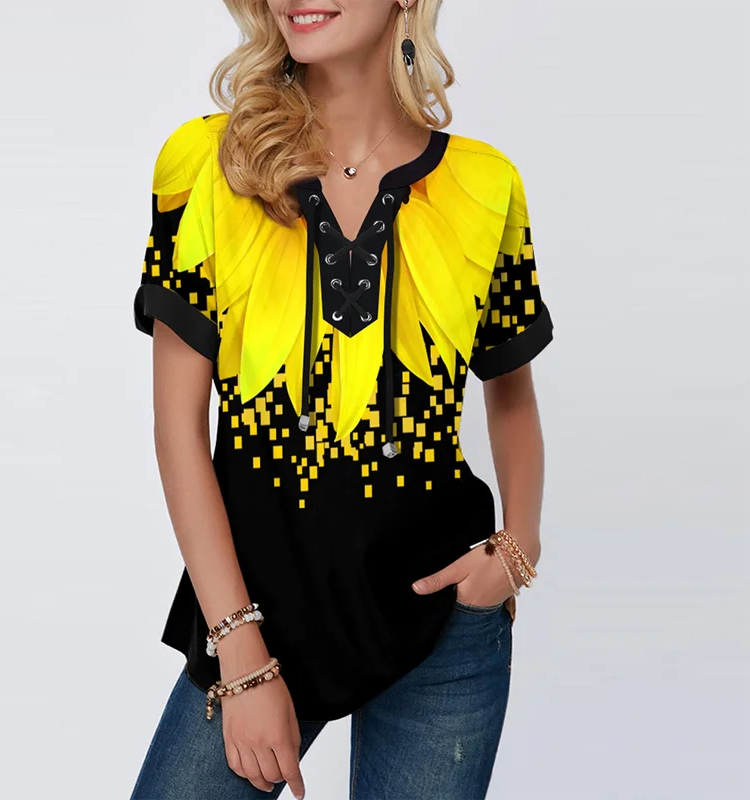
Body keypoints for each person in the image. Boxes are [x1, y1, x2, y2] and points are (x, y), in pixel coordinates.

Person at [128, 1, 554, 798]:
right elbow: (177, 428)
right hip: (256, 623)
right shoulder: (209, 167)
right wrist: (242, 659)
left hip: (445, 629)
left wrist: (516, 549)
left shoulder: (483, 185)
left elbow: (511, 392)